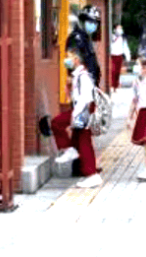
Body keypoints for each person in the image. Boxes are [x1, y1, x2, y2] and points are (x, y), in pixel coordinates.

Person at [50, 46, 102, 188]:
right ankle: (90, 171)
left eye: (69, 57)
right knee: (82, 141)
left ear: (77, 59)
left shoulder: (83, 76)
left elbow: (85, 98)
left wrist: (75, 113)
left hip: (83, 110)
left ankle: (91, 174)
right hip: (82, 110)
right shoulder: (77, 75)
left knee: (58, 124)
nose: (67, 60)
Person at [66, 4, 102, 87]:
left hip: (90, 83)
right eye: (90, 22)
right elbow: (69, 62)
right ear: (82, 21)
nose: (93, 25)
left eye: (95, 23)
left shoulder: (87, 38)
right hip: (80, 83)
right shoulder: (75, 38)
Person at [110, 23, 131, 93]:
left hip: (119, 55)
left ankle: (115, 87)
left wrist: (128, 57)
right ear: (115, 29)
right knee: (113, 71)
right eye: (118, 28)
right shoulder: (112, 37)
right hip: (113, 56)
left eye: (120, 28)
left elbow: (125, 47)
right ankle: (112, 86)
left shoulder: (123, 38)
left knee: (117, 72)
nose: (120, 30)